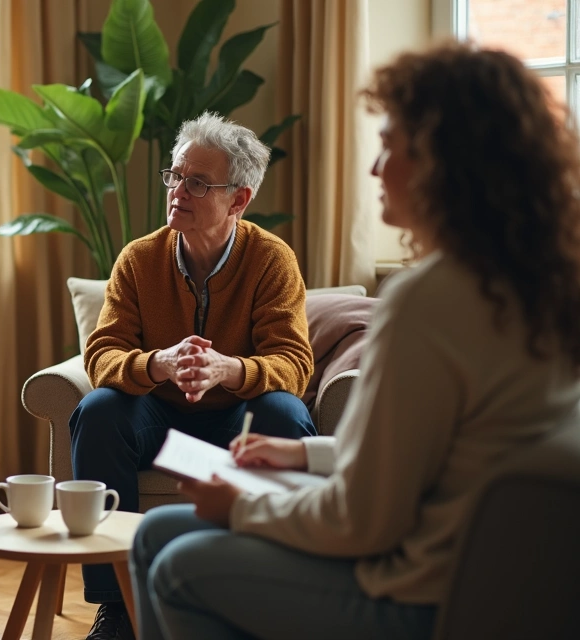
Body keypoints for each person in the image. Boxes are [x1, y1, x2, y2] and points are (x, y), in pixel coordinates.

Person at [129, 41, 580, 639]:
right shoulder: (541, 281)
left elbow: (361, 521)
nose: (374, 169)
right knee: (157, 532)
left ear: (443, 163)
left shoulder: (428, 301)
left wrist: (238, 506)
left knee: (176, 566)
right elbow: (434, 455)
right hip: (482, 572)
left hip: (414, 589)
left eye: (390, 147)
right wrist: (306, 454)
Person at [71, 112, 316, 639]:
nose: (178, 191)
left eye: (198, 183)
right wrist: (157, 363)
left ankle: (273, 591)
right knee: (98, 411)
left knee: (286, 413)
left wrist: (229, 369)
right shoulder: (139, 259)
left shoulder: (271, 260)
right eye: (176, 176)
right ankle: (116, 606)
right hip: (158, 417)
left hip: (236, 420)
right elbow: (102, 354)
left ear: (239, 200)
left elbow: (294, 365)